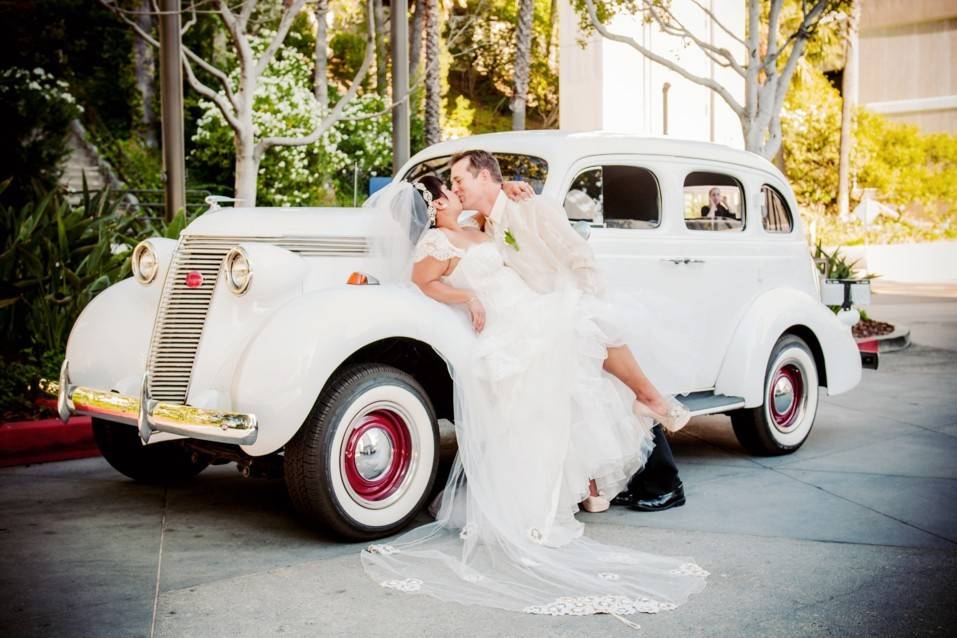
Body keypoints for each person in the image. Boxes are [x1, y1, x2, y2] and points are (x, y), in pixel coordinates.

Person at [360, 175, 707, 624]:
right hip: (511, 321)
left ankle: (623, 442)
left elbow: (502, 213)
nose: (453, 192)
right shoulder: (435, 241)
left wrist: (517, 187)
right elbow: (424, 284)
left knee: (588, 339)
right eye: (445, 191)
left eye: (455, 185)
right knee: (585, 332)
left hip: (529, 306)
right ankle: (648, 405)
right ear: (432, 207)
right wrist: (467, 297)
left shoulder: (470, 223)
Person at [449, 150, 691, 513]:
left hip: (567, 304)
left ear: (483, 177)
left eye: (459, 180)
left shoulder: (534, 208)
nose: (456, 188)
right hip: (536, 317)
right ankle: (642, 475)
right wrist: (507, 185)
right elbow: (451, 214)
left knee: (608, 390)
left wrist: (588, 306)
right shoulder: (481, 222)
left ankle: (664, 475)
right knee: (597, 400)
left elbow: (579, 256)